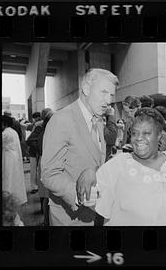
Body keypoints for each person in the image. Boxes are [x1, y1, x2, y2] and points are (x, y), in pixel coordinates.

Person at [94, 107, 166, 226]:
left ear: (159, 136)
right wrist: (88, 174)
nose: (138, 138)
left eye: (146, 133)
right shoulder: (120, 163)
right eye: (134, 133)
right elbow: (92, 193)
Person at [41, 68, 119, 226]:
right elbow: (49, 174)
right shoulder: (61, 119)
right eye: (104, 92)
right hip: (69, 217)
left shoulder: (98, 120)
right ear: (86, 88)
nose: (109, 100)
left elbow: (95, 161)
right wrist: (79, 195)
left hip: (95, 212)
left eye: (111, 95)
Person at [2, 115, 28, 206]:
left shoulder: (5, 133)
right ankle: (15, 197)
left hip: (7, 157)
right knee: (14, 178)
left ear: (4, 123)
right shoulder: (13, 132)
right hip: (14, 157)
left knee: (8, 178)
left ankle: (8, 199)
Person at [37, 109, 54, 226]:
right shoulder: (47, 132)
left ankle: (46, 221)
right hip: (47, 164)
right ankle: (46, 221)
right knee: (47, 196)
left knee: (47, 195)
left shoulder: (46, 131)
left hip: (46, 163)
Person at [26, 111, 43, 193]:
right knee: (34, 169)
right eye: (37, 117)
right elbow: (29, 140)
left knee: (35, 169)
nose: (38, 119)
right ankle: (34, 187)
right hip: (35, 151)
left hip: (35, 151)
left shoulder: (37, 125)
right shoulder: (36, 125)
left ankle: (35, 186)